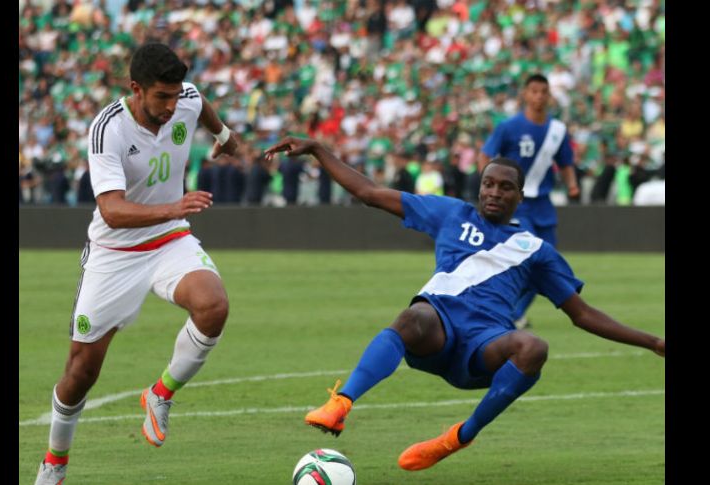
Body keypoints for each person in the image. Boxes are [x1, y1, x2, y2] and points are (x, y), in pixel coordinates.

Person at [264, 136, 664, 473]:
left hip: (483, 346)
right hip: (437, 328)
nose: (494, 192)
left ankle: (458, 437)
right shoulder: (450, 213)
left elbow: (583, 314)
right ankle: (341, 403)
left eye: (505, 187)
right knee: (412, 315)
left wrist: (654, 342)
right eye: (488, 184)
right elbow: (368, 193)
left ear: (520, 196)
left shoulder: (536, 250)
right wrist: (318, 149)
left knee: (534, 347)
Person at [34, 43, 239, 485]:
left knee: (213, 306)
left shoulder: (184, 99)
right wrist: (174, 206)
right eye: (161, 97)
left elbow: (200, 104)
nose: (170, 105)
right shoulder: (108, 128)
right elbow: (112, 210)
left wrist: (224, 137)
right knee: (81, 372)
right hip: (115, 253)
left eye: (174, 94)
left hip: (169, 240)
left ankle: (160, 394)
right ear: (135, 88)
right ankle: (54, 462)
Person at [479, 73, 580, 329]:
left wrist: (572, 183)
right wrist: (488, 184)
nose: (538, 97)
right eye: (534, 91)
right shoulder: (508, 127)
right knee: (528, 254)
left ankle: (515, 314)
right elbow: (485, 155)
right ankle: (508, 314)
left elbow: (565, 163)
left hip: (543, 203)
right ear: (525, 94)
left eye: (543, 92)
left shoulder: (557, 130)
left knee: (545, 262)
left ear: (549, 96)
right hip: (517, 204)